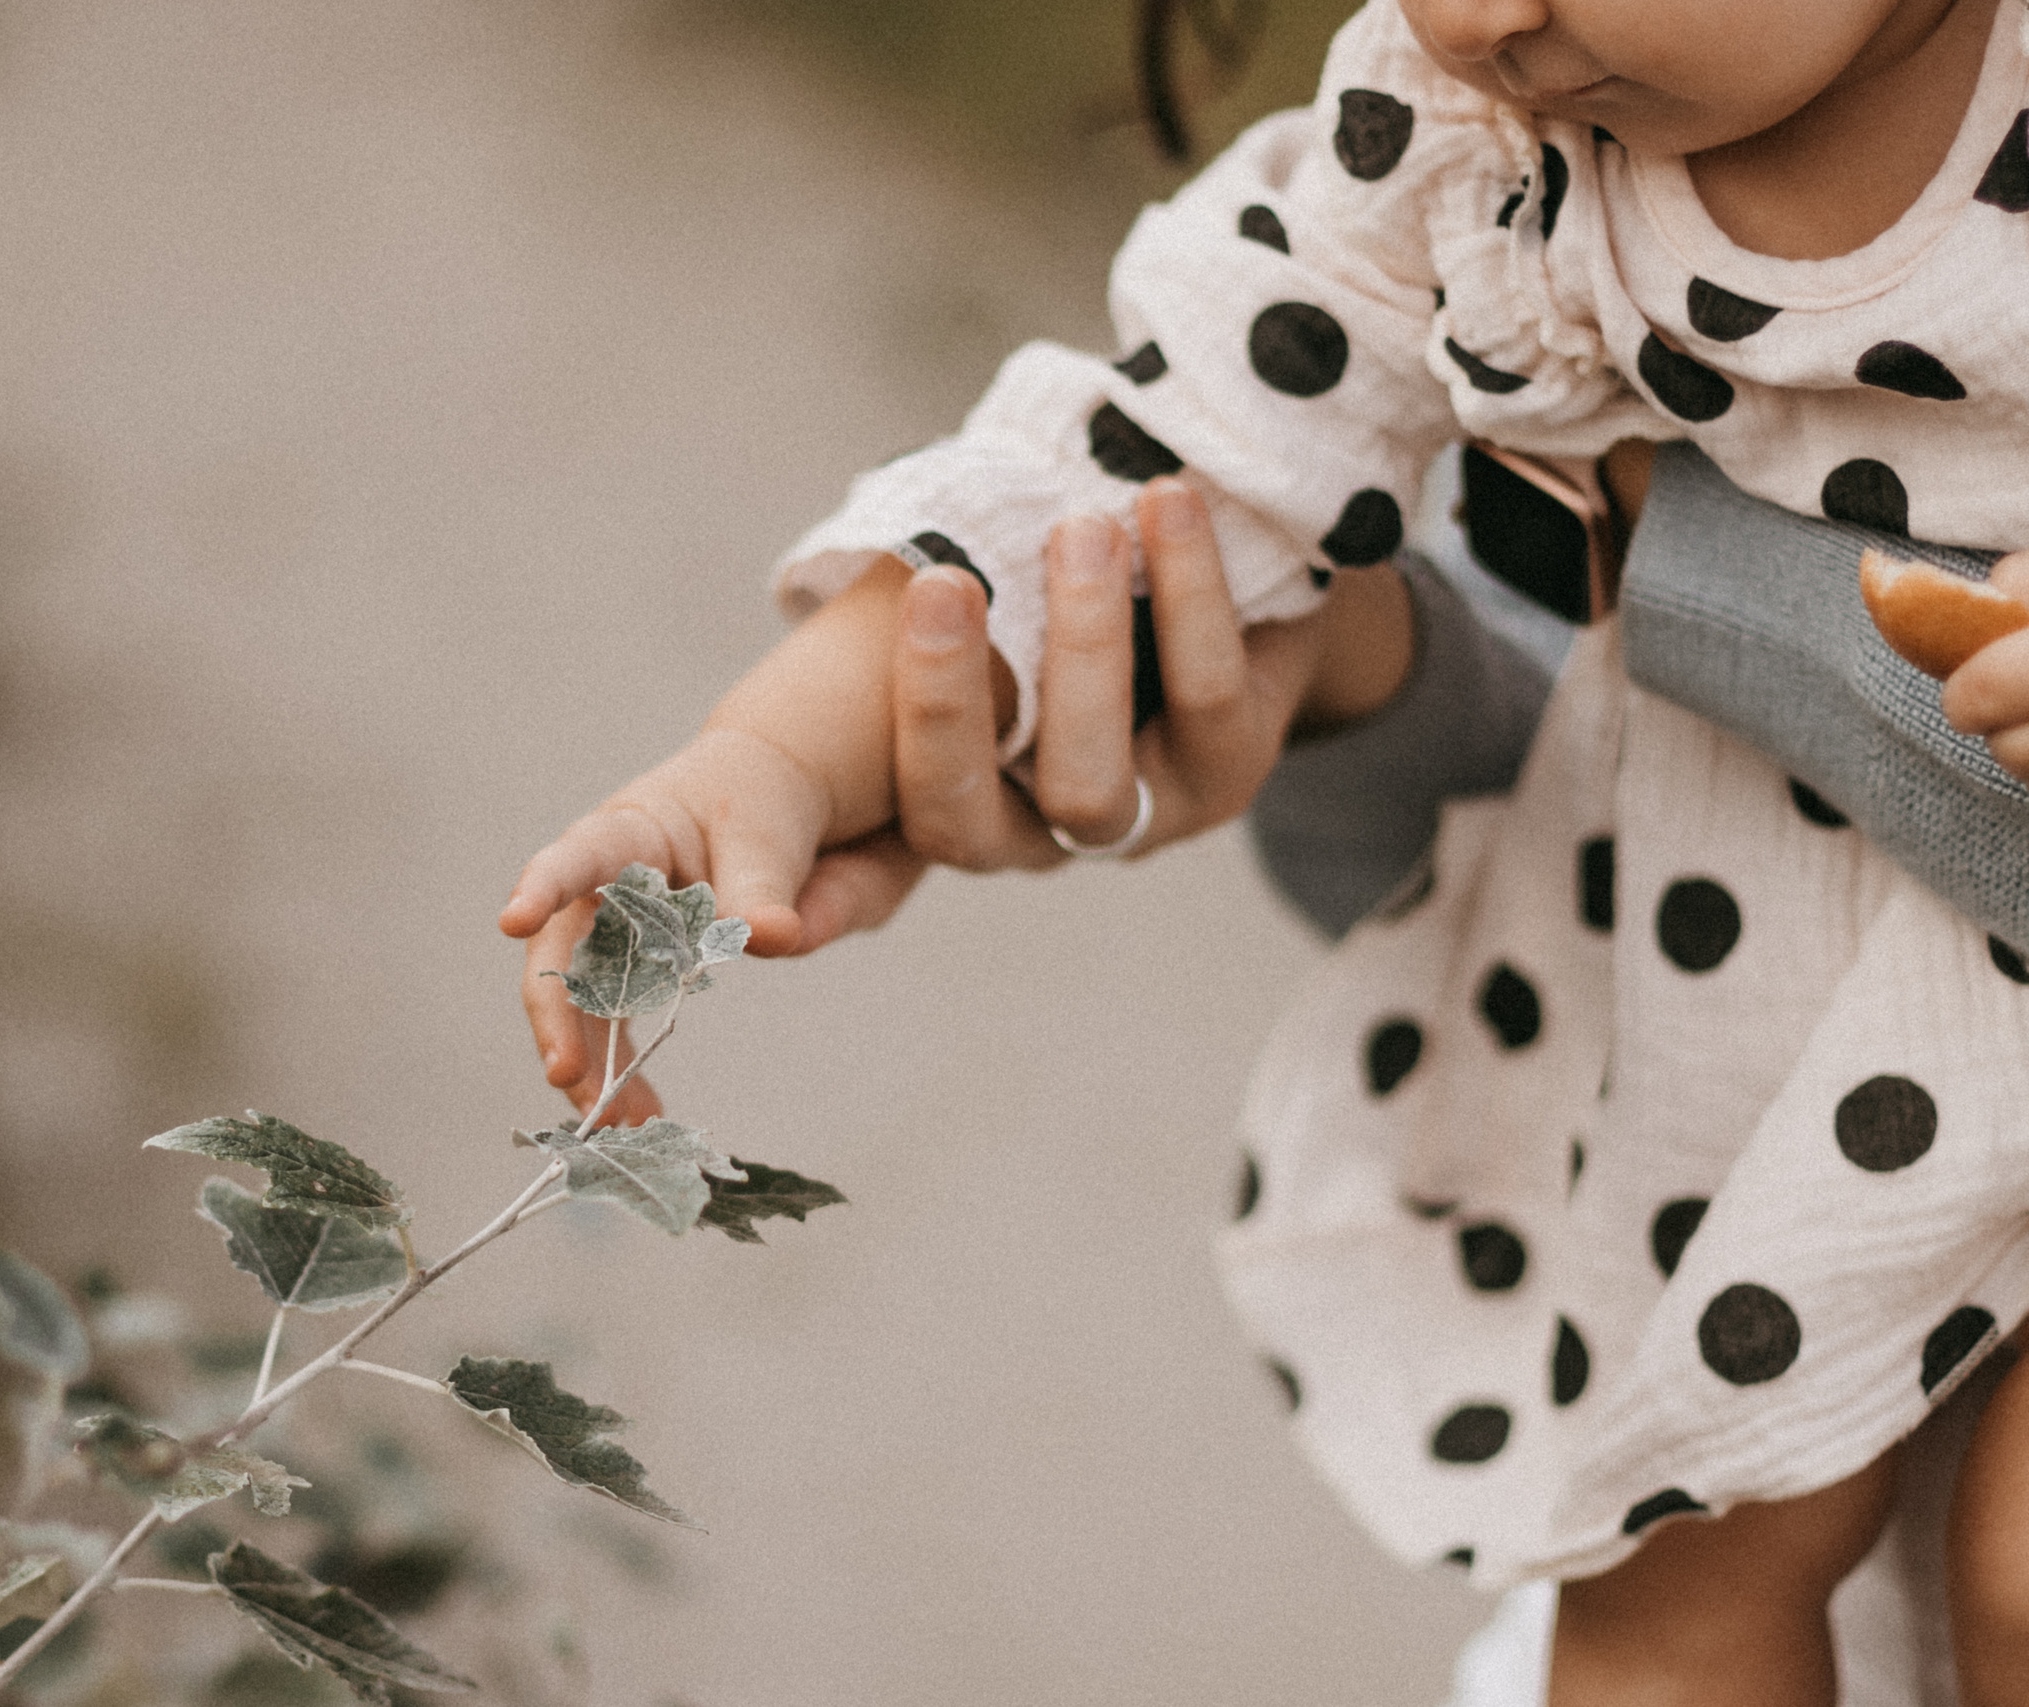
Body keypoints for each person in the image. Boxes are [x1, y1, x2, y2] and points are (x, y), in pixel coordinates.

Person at [502, 0, 2029, 1699]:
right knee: (1666, 1568)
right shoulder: (1474, 145)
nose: (1475, 13)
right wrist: (774, 755)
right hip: (1762, 1047)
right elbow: (1147, 466)